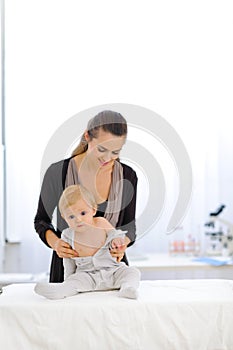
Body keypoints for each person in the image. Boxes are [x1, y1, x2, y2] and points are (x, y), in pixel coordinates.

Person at [34, 110, 138, 282]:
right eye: (102, 149)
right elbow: (41, 221)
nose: (107, 158)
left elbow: (131, 228)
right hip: (68, 273)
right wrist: (57, 244)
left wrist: (122, 245)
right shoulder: (57, 172)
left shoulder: (127, 176)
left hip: (112, 273)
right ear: (87, 136)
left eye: (115, 152)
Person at [34, 185, 140, 299]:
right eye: (71, 216)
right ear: (64, 217)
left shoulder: (101, 223)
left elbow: (116, 234)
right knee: (74, 282)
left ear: (93, 210)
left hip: (113, 271)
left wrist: (118, 241)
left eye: (83, 213)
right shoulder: (67, 235)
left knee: (132, 272)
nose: (78, 220)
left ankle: (127, 287)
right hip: (86, 276)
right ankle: (60, 291)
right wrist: (68, 281)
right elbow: (68, 263)